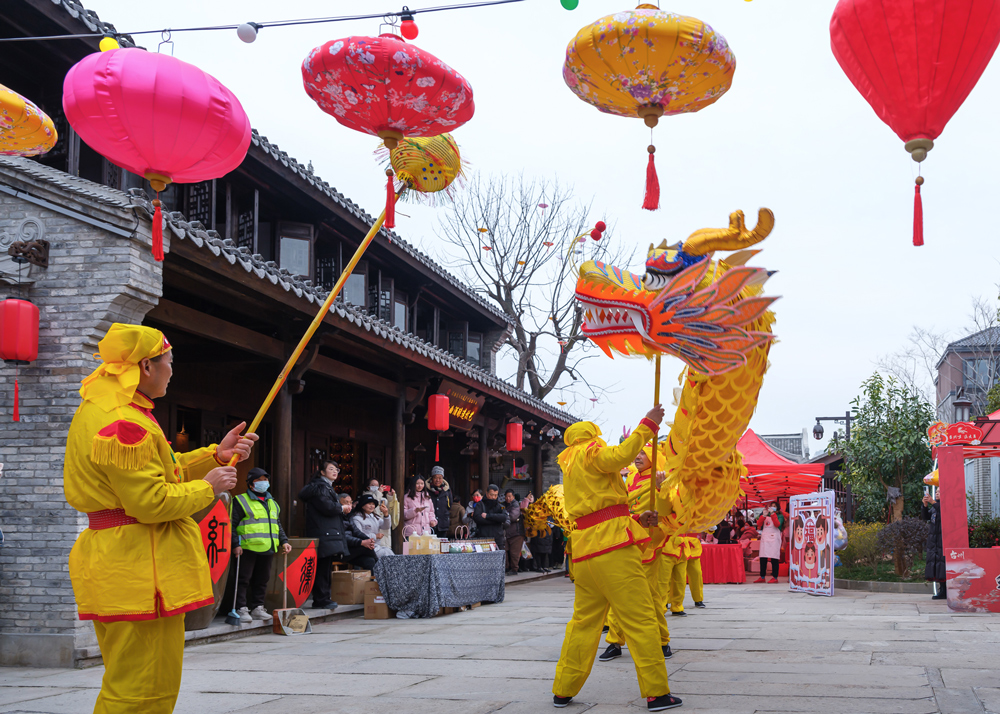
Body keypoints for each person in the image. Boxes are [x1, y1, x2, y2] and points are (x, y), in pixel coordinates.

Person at [64, 324, 257, 714]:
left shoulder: (115, 408)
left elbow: (160, 472)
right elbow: (149, 502)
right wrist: (208, 487)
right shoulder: (124, 423)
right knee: (142, 689)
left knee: (139, 682)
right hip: (137, 567)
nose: (173, 371)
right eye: (170, 363)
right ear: (147, 365)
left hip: (127, 563)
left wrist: (214, 457)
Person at [552, 407, 680, 712]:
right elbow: (619, 456)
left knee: (583, 623)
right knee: (640, 618)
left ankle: (563, 690)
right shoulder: (589, 451)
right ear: (592, 436)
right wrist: (648, 425)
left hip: (585, 551)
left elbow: (599, 510)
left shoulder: (570, 464)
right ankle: (657, 693)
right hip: (612, 549)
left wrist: (636, 518)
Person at [601, 442, 673, 663]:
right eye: (638, 452)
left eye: (643, 452)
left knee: (649, 595)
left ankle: (662, 640)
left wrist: (662, 489)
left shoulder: (661, 477)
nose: (638, 456)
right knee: (620, 592)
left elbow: (667, 511)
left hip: (650, 543)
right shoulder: (631, 478)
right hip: (628, 539)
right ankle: (614, 641)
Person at [231, 467, 292, 623]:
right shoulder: (240, 500)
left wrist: (284, 541)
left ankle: (258, 607)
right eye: (259, 480)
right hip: (246, 547)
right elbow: (231, 524)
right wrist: (234, 544)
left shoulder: (272, 502)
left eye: (265, 480)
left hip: (267, 546)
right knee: (243, 579)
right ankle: (241, 608)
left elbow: (277, 524)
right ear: (251, 484)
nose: (264, 483)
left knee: (262, 579)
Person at [299, 460, 350, 610]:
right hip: (323, 532)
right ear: (322, 472)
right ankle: (321, 599)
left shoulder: (326, 487)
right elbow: (326, 507)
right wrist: (341, 508)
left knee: (325, 566)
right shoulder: (320, 487)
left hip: (328, 532)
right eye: (331, 469)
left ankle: (324, 598)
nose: (335, 472)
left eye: (337, 469)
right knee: (322, 566)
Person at [339, 493, 378, 569]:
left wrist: (368, 539)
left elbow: (356, 531)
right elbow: (343, 537)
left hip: (351, 550)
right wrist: (361, 542)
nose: (349, 505)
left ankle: (374, 580)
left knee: (370, 561)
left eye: (350, 502)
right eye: (346, 502)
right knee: (366, 548)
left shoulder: (349, 516)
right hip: (341, 551)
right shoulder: (336, 517)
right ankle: (382, 573)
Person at [350, 492, 393, 559]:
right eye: (369, 504)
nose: (371, 506)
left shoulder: (374, 517)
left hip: (377, 546)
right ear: (362, 505)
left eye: (373, 504)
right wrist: (375, 536)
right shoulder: (356, 519)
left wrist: (386, 514)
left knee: (389, 552)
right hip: (365, 547)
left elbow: (386, 526)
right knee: (385, 555)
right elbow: (358, 536)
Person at [922, 490, 946, 600]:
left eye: (940, 492)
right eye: (936, 492)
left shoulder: (945, 505)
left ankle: (945, 591)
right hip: (934, 540)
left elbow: (944, 512)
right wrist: (925, 505)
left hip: (943, 540)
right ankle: (942, 591)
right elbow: (926, 517)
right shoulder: (934, 506)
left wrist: (932, 502)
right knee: (937, 565)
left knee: (943, 565)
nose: (937, 494)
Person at [754, 502, 784, 583]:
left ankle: (775, 577)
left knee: (774, 558)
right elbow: (758, 524)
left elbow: (777, 524)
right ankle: (762, 576)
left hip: (774, 539)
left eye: (774, 506)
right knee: (763, 558)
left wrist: (773, 514)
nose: (772, 507)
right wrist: (763, 516)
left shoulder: (780, 516)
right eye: (771, 506)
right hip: (765, 539)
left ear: (777, 508)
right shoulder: (765, 515)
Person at [473, 484, 507, 550]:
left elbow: (504, 517)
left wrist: (488, 516)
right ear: (487, 493)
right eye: (491, 495)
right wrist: (496, 521)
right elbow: (477, 518)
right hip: (484, 539)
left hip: (498, 539)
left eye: (495, 495)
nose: (493, 497)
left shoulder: (500, 506)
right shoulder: (480, 505)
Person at [427, 466, 453, 539]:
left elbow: (450, 504)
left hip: (443, 523)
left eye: (440, 478)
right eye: (435, 477)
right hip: (429, 524)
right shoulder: (426, 490)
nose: (437, 480)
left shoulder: (447, 490)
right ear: (432, 478)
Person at [504, 489, 525, 575]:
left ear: (513, 496)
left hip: (516, 533)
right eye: (506, 496)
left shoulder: (516, 505)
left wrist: (503, 516)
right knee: (505, 551)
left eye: (509, 496)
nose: (508, 498)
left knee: (514, 553)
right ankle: (506, 568)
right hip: (506, 533)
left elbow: (512, 517)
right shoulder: (503, 505)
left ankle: (514, 569)